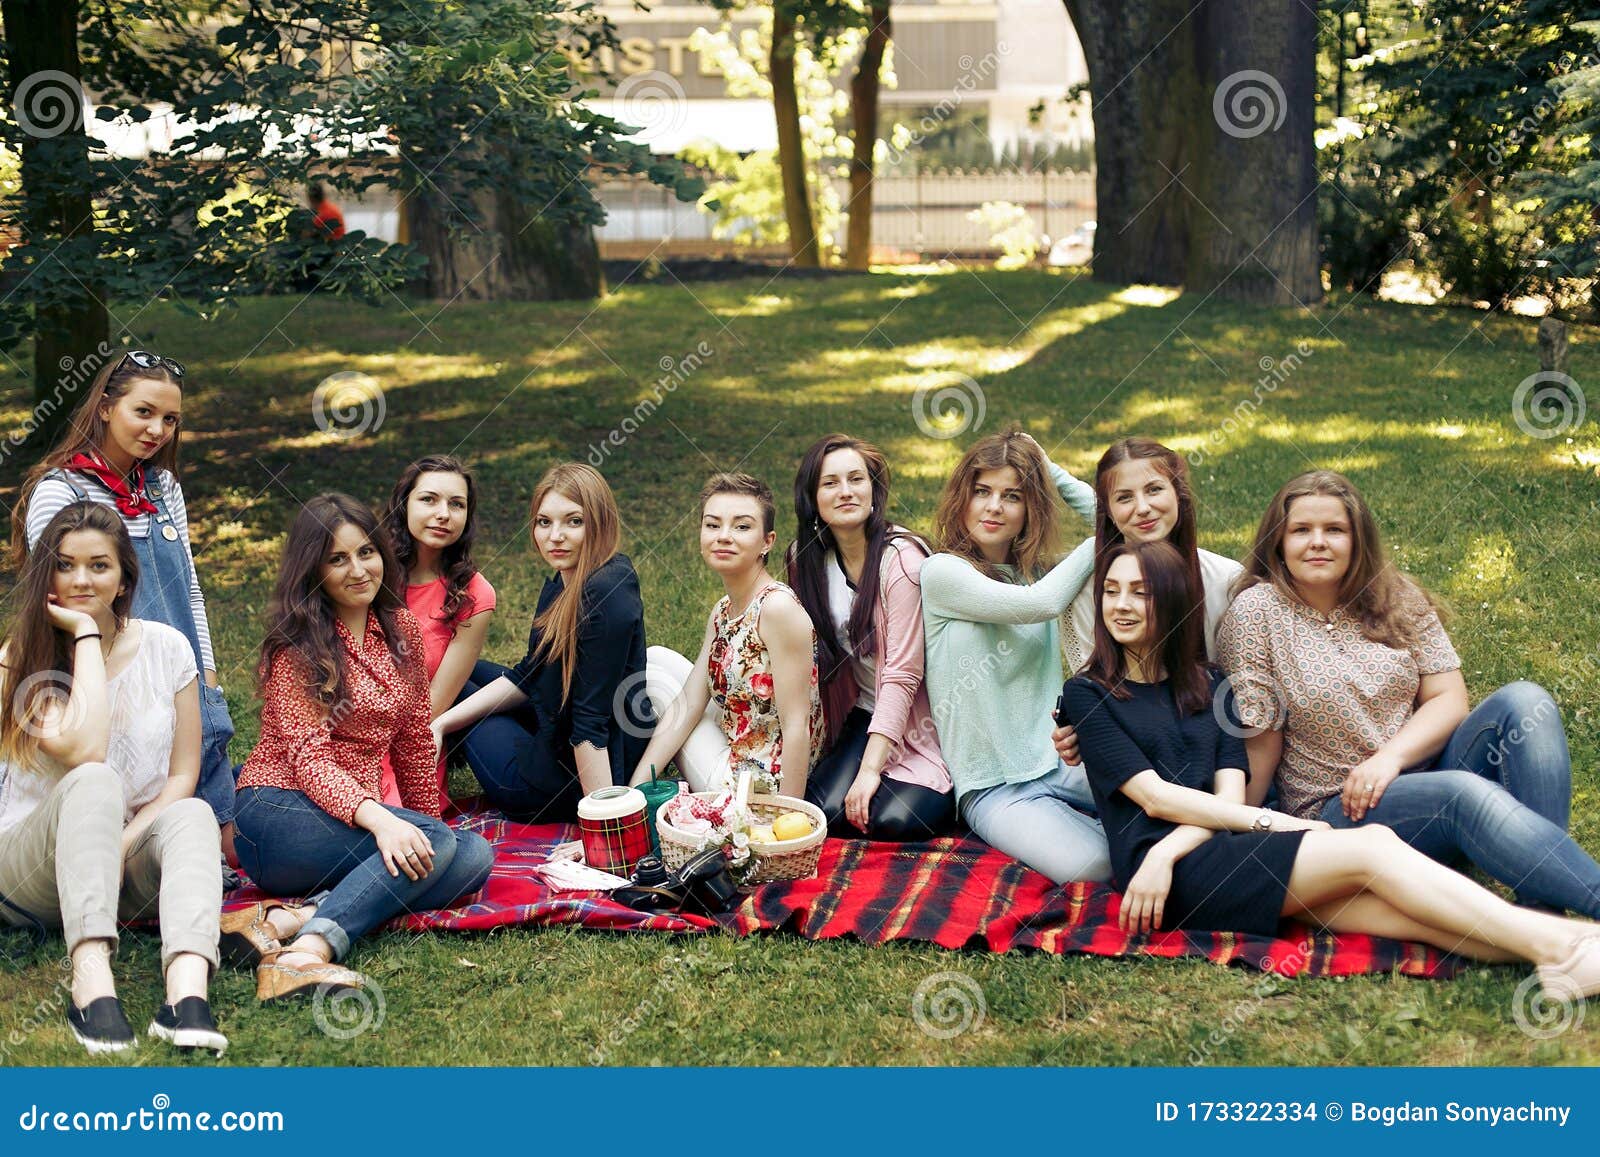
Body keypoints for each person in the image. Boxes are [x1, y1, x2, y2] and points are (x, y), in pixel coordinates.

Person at [1061, 538, 1600, 1004]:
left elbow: (1231, 796)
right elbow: (1154, 799)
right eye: (1111, 591)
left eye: (1141, 592)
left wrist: (1176, 845)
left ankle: (1560, 950)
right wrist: (1267, 828)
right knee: (1373, 847)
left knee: (1415, 919)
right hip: (1167, 881)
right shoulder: (1088, 694)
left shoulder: (1212, 683)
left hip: (1202, 848)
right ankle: (1566, 947)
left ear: (1173, 601)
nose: (1121, 605)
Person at [1215, 469, 1600, 917]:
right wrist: (1230, 837)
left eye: (1334, 529)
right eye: (1301, 530)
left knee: (1526, 701)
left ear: (1357, 539)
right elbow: (1260, 742)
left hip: (1424, 769)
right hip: (1340, 809)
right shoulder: (1256, 614)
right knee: (1459, 792)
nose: (1317, 541)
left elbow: (1449, 697)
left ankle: (1544, 904)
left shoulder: (1392, 593)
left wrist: (1390, 759)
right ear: (1278, 542)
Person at [233, 495, 494, 1002]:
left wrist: (424, 825)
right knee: (434, 848)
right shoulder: (298, 644)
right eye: (337, 559)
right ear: (313, 569)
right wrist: (386, 821)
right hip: (276, 813)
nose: (358, 570)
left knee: (472, 855)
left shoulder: (400, 633)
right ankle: (307, 954)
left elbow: (416, 738)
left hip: (351, 817)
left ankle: (290, 919)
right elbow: (310, 759)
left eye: (367, 553)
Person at [0, 503, 229, 1055]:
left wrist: (120, 844)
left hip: (116, 860)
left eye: (99, 566)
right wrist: (82, 632)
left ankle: (186, 995)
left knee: (193, 811)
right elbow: (86, 749)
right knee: (95, 779)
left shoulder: (168, 648)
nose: (81, 579)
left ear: (125, 576)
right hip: (26, 867)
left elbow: (182, 774)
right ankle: (91, 982)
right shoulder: (20, 657)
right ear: (45, 575)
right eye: (65, 565)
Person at [13, 350, 238, 864]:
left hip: (179, 679)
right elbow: (50, 600)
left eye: (170, 419)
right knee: (122, 830)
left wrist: (207, 675)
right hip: (106, 680)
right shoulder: (60, 490)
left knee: (222, 845)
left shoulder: (163, 488)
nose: (158, 429)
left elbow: (190, 587)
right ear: (106, 407)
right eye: (144, 412)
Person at [918, 427, 1106, 883]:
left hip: (1060, 762)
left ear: (1030, 509)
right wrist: (1109, 533)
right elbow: (1039, 605)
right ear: (963, 498)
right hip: (994, 788)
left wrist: (1051, 472)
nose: (993, 507)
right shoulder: (943, 573)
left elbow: (1114, 515)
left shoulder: (1036, 573)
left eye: (1012, 495)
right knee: (1094, 866)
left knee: (1172, 798)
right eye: (981, 492)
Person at [432, 463, 653, 820]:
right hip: (553, 726)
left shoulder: (605, 596)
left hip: (554, 785)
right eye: (544, 522)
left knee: (457, 689)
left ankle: (413, 758)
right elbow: (529, 672)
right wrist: (440, 724)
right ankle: (437, 738)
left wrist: (606, 823)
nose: (555, 536)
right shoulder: (572, 575)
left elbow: (589, 726)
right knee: (458, 669)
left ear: (599, 522)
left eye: (573, 521)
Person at [785, 434, 954, 839]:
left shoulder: (901, 560)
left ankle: (938, 786)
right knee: (825, 813)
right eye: (830, 483)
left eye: (856, 479)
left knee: (892, 820)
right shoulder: (805, 559)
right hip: (865, 711)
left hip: (926, 719)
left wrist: (868, 771)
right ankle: (879, 777)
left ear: (873, 490)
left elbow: (903, 674)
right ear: (813, 498)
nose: (845, 492)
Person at [1051, 436, 1242, 766]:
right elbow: (1100, 702)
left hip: (1223, 758)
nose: (1142, 508)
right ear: (1108, 511)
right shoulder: (1086, 593)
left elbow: (1239, 698)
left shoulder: (1224, 580)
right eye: (1124, 497)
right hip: (1131, 761)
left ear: (1178, 494)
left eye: (1154, 490)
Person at [629, 472, 821, 798]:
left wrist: (787, 817)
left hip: (756, 786)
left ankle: (627, 793)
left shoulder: (777, 610)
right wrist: (634, 790)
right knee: (655, 658)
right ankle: (634, 791)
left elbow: (797, 726)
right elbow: (690, 702)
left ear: (767, 541)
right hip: (739, 737)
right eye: (713, 524)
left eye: (742, 526)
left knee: (653, 681)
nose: (723, 536)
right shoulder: (723, 610)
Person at [378, 455, 495, 810]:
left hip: (408, 739)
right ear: (404, 504)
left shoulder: (474, 593)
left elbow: (432, 706)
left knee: (394, 828)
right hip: (343, 728)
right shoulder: (369, 573)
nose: (443, 513)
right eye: (429, 499)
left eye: (456, 504)